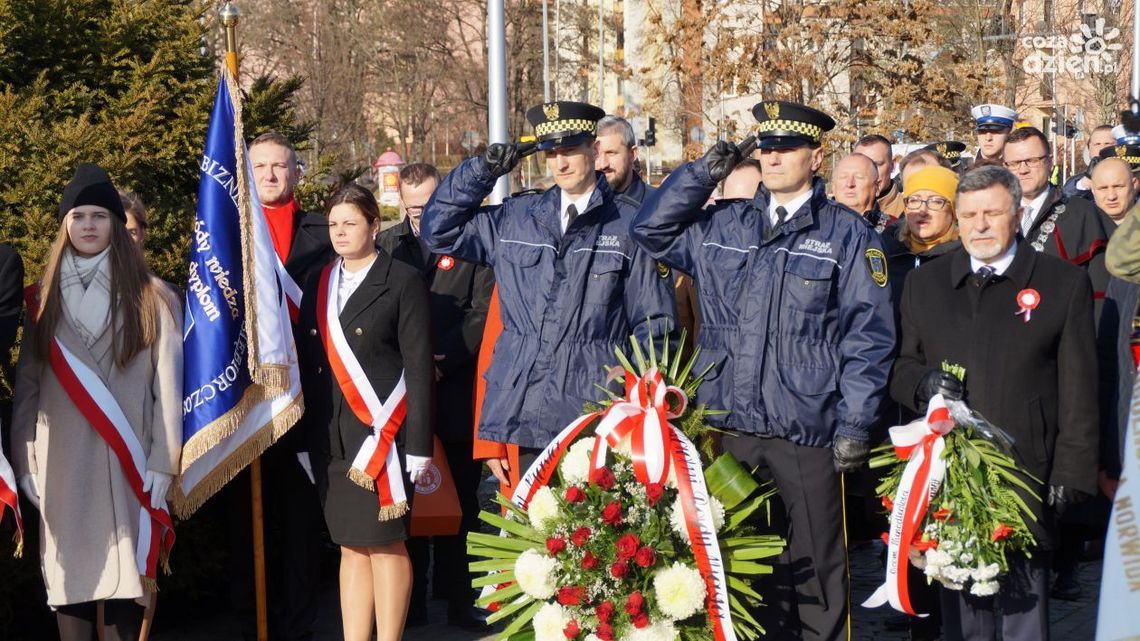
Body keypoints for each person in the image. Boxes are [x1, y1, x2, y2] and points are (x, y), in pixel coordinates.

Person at [632, 100, 895, 641]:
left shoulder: (846, 235)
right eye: (766, 148)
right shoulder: (723, 223)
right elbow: (650, 229)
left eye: (787, 148)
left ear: (815, 156)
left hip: (806, 429)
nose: (773, 158)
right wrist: (700, 175)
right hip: (728, 427)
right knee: (742, 571)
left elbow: (868, 338)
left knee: (817, 574)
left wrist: (854, 423)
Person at [890, 165, 1097, 641]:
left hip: (1026, 472)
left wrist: (1072, 471)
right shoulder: (926, 284)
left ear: (1017, 215)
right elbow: (900, 367)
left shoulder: (1062, 284)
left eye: (992, 213)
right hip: (949, 476)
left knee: (1023, 617)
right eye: (969, 215)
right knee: (962, 616)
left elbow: (1081, 389)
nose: (979, 225)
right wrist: (923, 382)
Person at [422, 100, 674, 473]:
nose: (560, 163)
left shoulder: (627, 226)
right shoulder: (516, 219)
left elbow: (654, 325)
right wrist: (482, 171)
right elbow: (438, 230)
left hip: (597, 415)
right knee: (531, 513)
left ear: (594, 149)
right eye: (551, 153)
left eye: (569, 150)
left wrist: (638, 408)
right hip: (524, 410)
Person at [11, 163, 183, 641]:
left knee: (127, 586)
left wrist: (164, 460)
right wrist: (26, 460)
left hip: (129, 459)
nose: (88, 225)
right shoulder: (42, 301)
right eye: (78, 216)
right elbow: (28, 388)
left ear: (116, 224)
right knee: (72, 586)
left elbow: (167, 386)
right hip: (61, 463)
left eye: (100, 216)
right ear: (65, 225)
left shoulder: (153, 297)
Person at [296, 183, 433, 641]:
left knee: (386, 546)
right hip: (332, 440)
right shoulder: (318, 281)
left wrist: (419, 445)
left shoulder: (402, 280)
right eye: (334, 224)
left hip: (383, 440)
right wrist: (304, 439)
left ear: (374, 225)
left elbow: (418, 366)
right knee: (351, 547)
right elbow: (308, 363)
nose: (339, 232)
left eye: (350, 223)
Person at [222, 131, 332, 641]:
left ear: (295, 173)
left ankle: (299, 621)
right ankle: (253, 619)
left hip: (307, 395)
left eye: (279, 166)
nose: (269, 174)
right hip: (247, 396)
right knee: (247, 517)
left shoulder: (323, 233)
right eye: (260, 166)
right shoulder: (229, 234)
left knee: (301, 517)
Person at [377, 163, 494, 631]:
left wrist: (443, 360)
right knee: (407, 503)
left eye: (427, 206)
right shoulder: (388, 244)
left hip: (455, 391)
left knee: (461, 503)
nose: (420, 216)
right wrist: (413, 365)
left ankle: (459, 598)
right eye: (412, 209)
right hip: (404, 399)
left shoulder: (471, 243)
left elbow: (481, 311)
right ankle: (412, 606)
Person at [1003, 126, 1112, 306]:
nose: (1022, 170)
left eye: (1031, 160)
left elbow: (1102, 292)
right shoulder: (992, 216)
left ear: (1049, 162)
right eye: (1014, 163)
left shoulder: (1084, 215)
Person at [883, 165, 962, 309]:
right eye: (914, 200)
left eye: (935, 201)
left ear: (953, 209)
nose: (922, 210)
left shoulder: (965, 260)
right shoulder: (885, 250)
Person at [595, 115, 652, 203]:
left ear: (632, 154)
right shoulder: (582, 204)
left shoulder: (658, 205)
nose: (603, 165)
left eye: (611, 153)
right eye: (595, 155)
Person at [831, 152, 889, 232]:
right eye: (843, 177)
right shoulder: (817, 225)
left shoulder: (893, 230)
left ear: (877, 187)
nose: (850, 184)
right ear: (833, 186)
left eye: (859, 177)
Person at [854, 134, 904, 218]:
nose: (870, 173)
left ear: (892, 165)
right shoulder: (840, 210)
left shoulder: (910, 211)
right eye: (861, 165)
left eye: (877, 164)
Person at [1061, 125, 1116, 199]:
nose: (1102, 149)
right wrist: (1087, 181)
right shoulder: (1076, 183)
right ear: (1089, 149)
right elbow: (1067, 199)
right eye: (1097, 144)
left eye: (1107, 144)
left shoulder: (1129, 177)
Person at [1091, 157, 1139, 225]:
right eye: (1103, 188)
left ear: (1134, 185)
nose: (1111, 197)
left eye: (1118, 186)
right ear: (1092, 189)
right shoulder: (1080, 227)